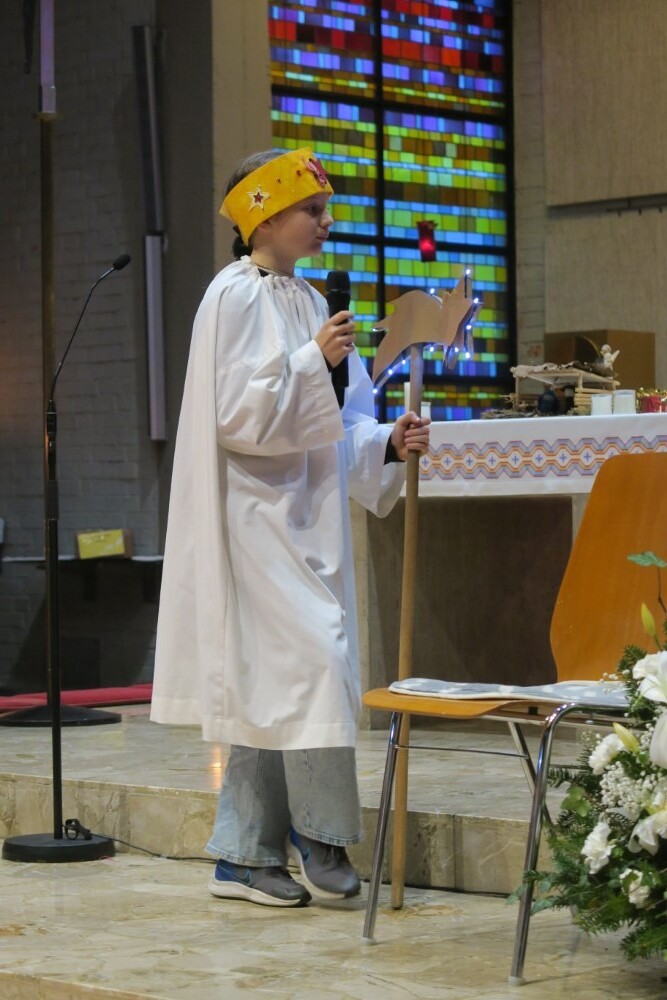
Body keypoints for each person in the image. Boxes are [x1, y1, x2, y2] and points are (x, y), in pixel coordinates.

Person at [150, 147, 430, 908]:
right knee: (313, 664)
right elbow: (238, 418)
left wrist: (384, 440)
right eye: (312, 209)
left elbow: (343, 417)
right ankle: (321, 833)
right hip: (253, 520)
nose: (325, 221)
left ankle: (241, 854)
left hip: (309, 519)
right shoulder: (231, 296)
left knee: (271, 685)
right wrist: (311, 360)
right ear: (263, 216)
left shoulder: (309, 299)